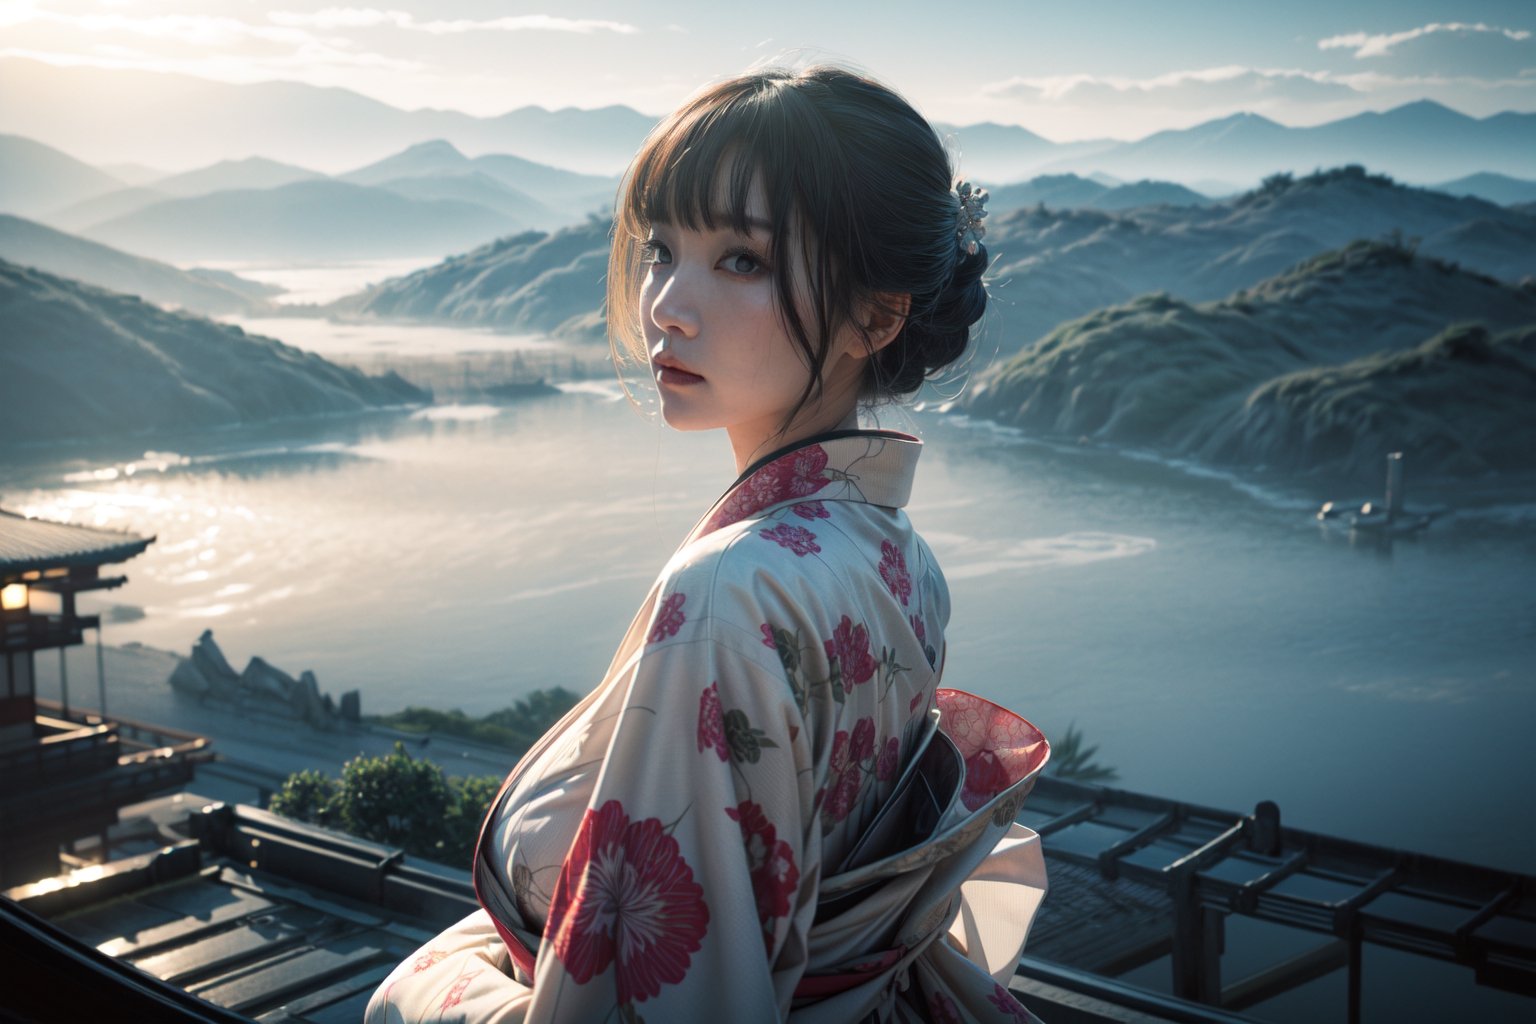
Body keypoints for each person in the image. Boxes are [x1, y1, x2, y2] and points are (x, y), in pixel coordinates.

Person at [366, 63, 1050, 1024]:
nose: (666, 306)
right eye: (659, 250)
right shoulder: (897, 554)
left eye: (741, 260)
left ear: (877, 313)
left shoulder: (732, 590)